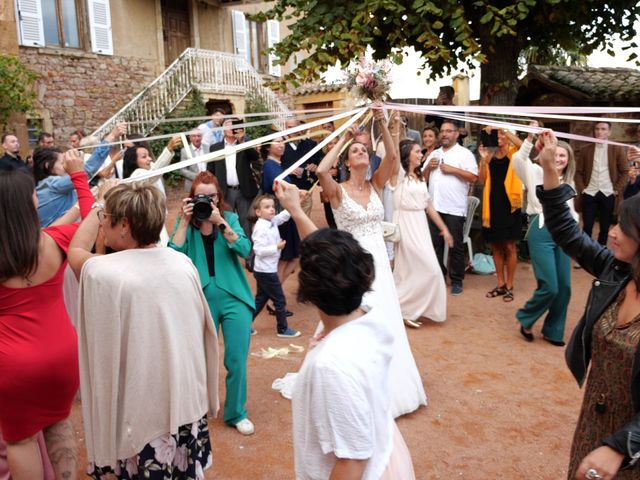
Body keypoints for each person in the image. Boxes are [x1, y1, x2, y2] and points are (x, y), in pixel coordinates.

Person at [68, 182, 219, 478]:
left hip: (140, 416)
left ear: (123, 225)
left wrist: (98, 201)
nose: (102, 224)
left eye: (105, 218)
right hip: (186, 402)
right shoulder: (182, 263)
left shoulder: (105, 272)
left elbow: (75, 250)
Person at [273, 183, 415, 479]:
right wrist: (296, 211)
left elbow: (352, 461)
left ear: (309, 293)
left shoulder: (331, 365)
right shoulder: (372, 312)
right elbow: (333, 261)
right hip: (388, 454)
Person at [536, 128, 640, 480]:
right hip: (594, 421)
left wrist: (621, 446)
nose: (610, 232)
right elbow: (566, 230)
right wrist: (550, 170)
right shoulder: (616, 270)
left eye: (622, 229)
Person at [316, 105, 427, 418]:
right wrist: (344, 139)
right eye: (356, 150)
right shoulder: (338, 191)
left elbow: (393, 159)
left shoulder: (376, 184)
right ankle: (355, 389)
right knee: (357, 322)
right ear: (348, 161)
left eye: (364, 149)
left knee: (385, 320)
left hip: (380, 264)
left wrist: (382, 123)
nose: (361, 152)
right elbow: (322, 171)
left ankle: (392, 387)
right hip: (352, 266)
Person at [0, 152, 94, 479]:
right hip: (63, 356)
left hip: (13, 363)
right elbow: (91, 222)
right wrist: (80, 177)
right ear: (29, 200)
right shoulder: (54, 242)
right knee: (59, 421)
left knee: (20, 440)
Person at [169, 171, 255, 436]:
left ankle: (236, 412)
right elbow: (172, 256)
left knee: (236, 358)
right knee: (197, 359)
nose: (206, 201)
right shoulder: (185, 222)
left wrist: (220, 223)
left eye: (211, 196)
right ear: (191, 198)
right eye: (200, 197)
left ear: (219, 197)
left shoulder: (228, 218)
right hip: (199, 298)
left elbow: (244, 249)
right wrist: (184, 222)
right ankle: (198, 409)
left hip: (234, 296)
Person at [512, 125, 577, 346]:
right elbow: (518, 162)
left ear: (568, 160)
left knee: (565, 287)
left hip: (565, 234)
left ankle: (553, 331)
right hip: (541, 229)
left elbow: (572, 212)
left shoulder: (569, 182)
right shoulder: (535, 171)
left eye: (563, 155)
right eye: (556, 153)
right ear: (548, 154)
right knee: (550, 285)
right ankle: (526, 318)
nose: (558, 158)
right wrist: (529, 139)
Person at [390, 140, 452, 328]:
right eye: (417, 151)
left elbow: (428, 205)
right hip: (405, 224)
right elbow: (392, 152)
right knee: (427, 269)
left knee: (417, 270)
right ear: (407, 153)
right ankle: (399, 308)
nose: (421, 154)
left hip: (420, 225)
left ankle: (406, 310)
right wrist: (393, 122)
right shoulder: (398, 175)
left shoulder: (420, 177)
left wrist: (444, 228)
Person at [422, 121, 478, 295]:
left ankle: (456, 280)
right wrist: (428, 169)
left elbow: (473, 177)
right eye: (443, 131)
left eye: (449, 131)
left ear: (456, 134)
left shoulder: (465, 154)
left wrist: (452, 170)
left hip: (454, 207)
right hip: (434, 207)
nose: (444, 134)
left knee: (456, 246)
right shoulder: (434, 154)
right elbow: (422, 179)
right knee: (434, 244)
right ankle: (439, 275)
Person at [34, 123, 124, 226]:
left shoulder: (47, 184)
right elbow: (87, 170)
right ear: (48, 166)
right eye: (62, 163)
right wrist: (112, 135)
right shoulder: (53, 183)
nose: (67, 165)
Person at [478, 129, 523, 303]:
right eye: (496, 135)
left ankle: (510, 285)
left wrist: (504, 130)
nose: (499, 138)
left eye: (502, 135)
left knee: (510, 246)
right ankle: (500, 283)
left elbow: (523, 145)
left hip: (510, 206)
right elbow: (481, 181)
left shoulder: (515, 153)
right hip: (493, 206)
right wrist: (483, 159)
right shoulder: (489, 155)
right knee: (496, 246)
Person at [250, 194, 301, 338]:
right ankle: (282, 329)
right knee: (279, 300)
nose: (272, 210)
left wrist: (296, 203)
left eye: (273, 206)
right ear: (258, 212)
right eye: (267, 207)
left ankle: (244, 324)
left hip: (266, 270)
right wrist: (276, 247)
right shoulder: (260, 228)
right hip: (266, 271)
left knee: (260, 300)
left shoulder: (270, 221)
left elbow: (281, 218)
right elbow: (258, 250)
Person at [575, 121, 629, 245]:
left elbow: (625, 172)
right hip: (590, 192)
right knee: (587, 226)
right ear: (594, 131)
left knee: (605, 227)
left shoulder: (617, 149)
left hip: (608, 193)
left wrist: (616, 189)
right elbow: (578, 172)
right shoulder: (585, 150)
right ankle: (585, 253)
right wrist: (583, 189)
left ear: (609, 132)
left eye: (604, 129)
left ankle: (601, 253)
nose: (600, 132)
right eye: (597, 129)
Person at [260, 134, 301, 291]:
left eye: (282, 141)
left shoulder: (277, 165)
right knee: (285, 258)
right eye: (277, 142)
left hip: (287, 213)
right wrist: (297, 191)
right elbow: (278, 185)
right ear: (267, 147)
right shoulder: (270, 166)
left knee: (293, 257)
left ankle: (274, 293)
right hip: (280, 215)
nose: (281, 144)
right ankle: (273, 296)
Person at [208, 118, 260, 239]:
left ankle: (248, 256)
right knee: (225, 223)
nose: (231, 127)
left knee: (246, 224)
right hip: (224, 192)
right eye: (227, 124)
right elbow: (210, 170)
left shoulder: (244, 145)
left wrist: (242, 142)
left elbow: (255, 157)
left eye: (233, 124)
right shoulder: (215, 148)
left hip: (243, 191)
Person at [180, 127, 209, 191]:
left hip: (208, 183)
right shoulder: (185, 151)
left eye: (199, 136)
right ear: (190, 138)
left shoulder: (208, 148)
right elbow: (183, 170)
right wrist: (196, 176)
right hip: (193, 184)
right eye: (194, 136)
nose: (197, 138)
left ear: (202, 137)